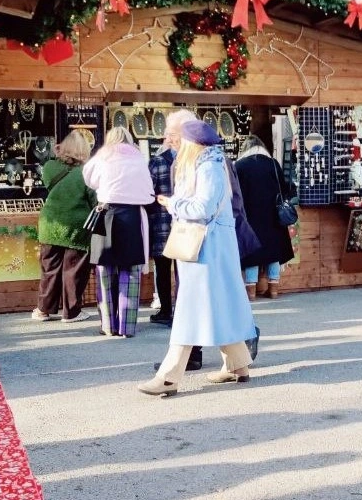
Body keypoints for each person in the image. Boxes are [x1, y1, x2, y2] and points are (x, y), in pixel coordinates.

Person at [138, 121, 257, 396]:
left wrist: (173, 204)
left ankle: (169, 376)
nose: (175, 146)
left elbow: (203, 207)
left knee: (190, 309)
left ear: (193, 144)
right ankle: (238, 365)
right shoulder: (210, 164)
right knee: (218, 304)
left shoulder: (209, 167)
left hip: (206, 248)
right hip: (211, 246)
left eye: (180, 141)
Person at [83, 126, 154, 338]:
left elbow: (89, 180)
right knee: (130, 272)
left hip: (107, 213)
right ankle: (127, 327)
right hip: (132, 216)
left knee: (105, 271)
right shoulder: (139, 159)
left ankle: (108, 325)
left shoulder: (102, 156)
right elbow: (148, 188)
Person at [33, 132, 97, 323]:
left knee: (49, 269)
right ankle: (71, 313)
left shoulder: (50, 166)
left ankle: (43, 310)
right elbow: (94, 200)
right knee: (74, 271)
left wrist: (56, 152)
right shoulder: (86, 172)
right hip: (77, 227)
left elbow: (47, 184)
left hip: (50, 225)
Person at [148, 109, 198, 328]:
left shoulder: (157, 162)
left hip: (161, 223)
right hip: (184, 224)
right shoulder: (191, 161)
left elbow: (148, 193)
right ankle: (183, 310)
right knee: (182, 271)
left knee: (162, 269)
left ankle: (166, 310)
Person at [236, 135, 295, 300]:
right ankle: (274, 290)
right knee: (273, 253)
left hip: (249, 216)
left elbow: (235, 195)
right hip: (273, 217)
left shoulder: (240, 166)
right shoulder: (273, 164)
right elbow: (284, 189)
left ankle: (251, 292)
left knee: (251, 254)